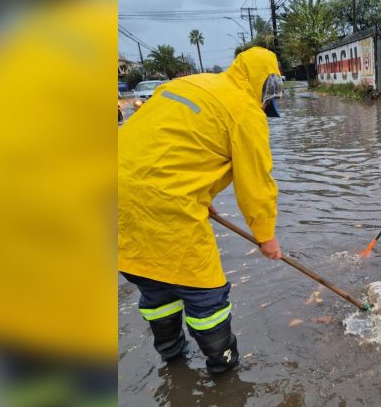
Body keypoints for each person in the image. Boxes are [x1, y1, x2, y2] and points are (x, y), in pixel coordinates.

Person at [118, 47, 284, 374]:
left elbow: (168, 147)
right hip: (166, 206)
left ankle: (172, 362)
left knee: (154, 283)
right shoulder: (246, 111)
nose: (266, 108)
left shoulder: (188, 84)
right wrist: (266, 237)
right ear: (266, 87)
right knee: (206, 294)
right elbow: (256, 184)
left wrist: (202, 196)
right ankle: (224, 376)